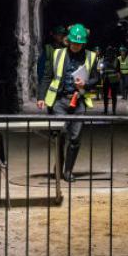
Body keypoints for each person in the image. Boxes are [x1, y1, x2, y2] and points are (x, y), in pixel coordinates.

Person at [38, 23, 99, 182]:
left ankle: (68, 171)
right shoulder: (57, 55)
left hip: (78, 101)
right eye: (74, 43)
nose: (76, 46)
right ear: (68, 41)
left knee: (75, 138)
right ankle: (59, 166)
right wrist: (40, 97)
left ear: (83, 43)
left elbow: (96, 78)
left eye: (79, 43)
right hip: (59, 100)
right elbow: (47, 76)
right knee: (61, 134)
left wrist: (85, 85)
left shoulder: (91, 57)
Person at [37, 25, 68, 92]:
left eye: (62, 34)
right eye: (59, 34)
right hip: (51, 83)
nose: (61, 36)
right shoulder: (47, 49)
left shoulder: (67, 49)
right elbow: (41, 69)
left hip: (64, 85)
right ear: (54, 35)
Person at [98, 46, 122, 115]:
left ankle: (106, 111)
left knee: (106, 96)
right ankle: (113, 111)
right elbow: (118, 71)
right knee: (113, 96)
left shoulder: (104, 60)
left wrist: (102, 77)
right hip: (113, 79)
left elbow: (102, 70)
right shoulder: (116, 60)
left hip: (106, 79)